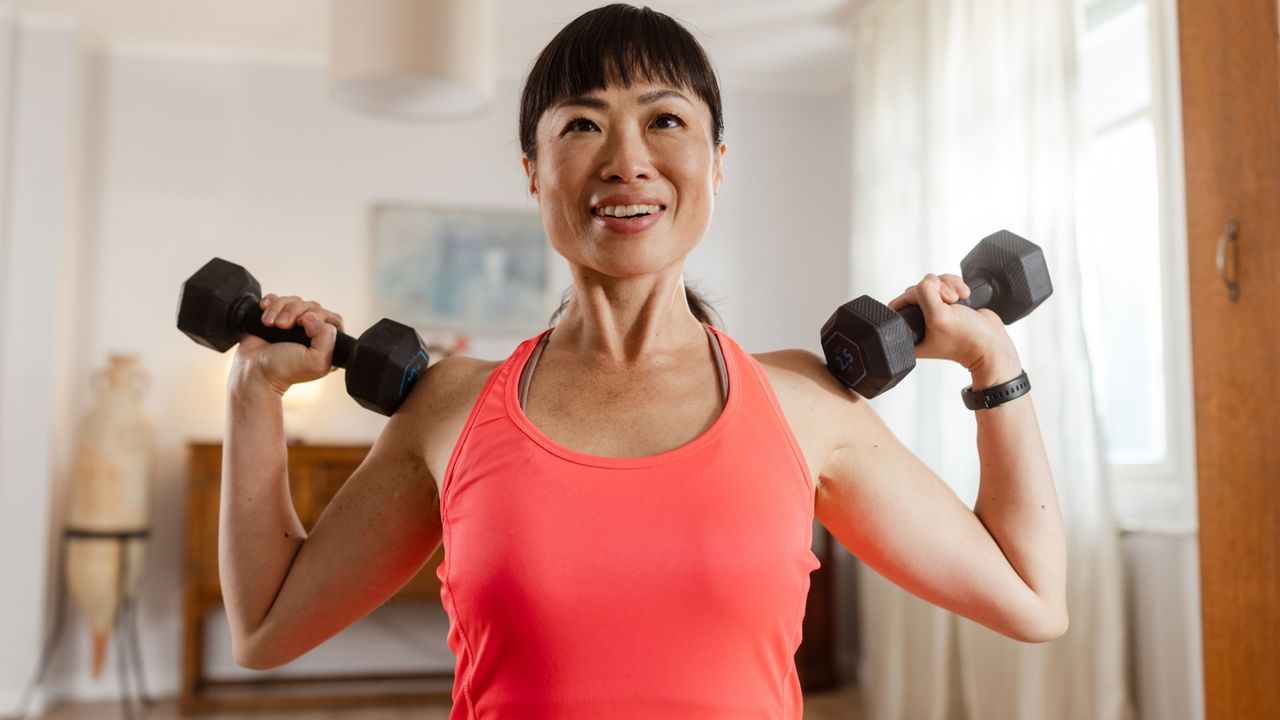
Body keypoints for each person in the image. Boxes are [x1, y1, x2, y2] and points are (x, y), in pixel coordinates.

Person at [219, 4, 1068, 718]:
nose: (627, 160)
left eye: (665, 120)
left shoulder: (804, 406)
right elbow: (265, 626)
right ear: (532, 171)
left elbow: (1030, 599)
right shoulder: (449, 408)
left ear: (718, 162)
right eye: (582, 124)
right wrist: (254, 391)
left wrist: (994, 364)